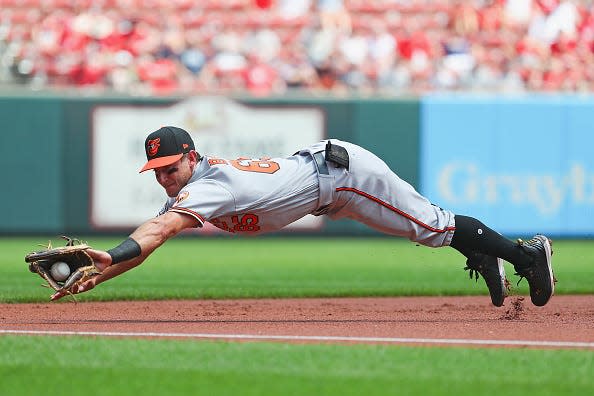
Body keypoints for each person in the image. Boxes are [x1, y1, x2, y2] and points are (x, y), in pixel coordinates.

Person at [51, 126, 556, 307]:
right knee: (430, 230)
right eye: (156, 170)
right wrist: (102, 271)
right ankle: (484, 255)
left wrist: (111, 252)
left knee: (433, 225)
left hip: (342, 176)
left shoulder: (211, 185)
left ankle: (526, 254)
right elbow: (153, 236)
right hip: (324, 185)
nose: (164, 177)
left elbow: (156, 233)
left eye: (170, 166)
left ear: (192, 156)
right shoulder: (194, 185)